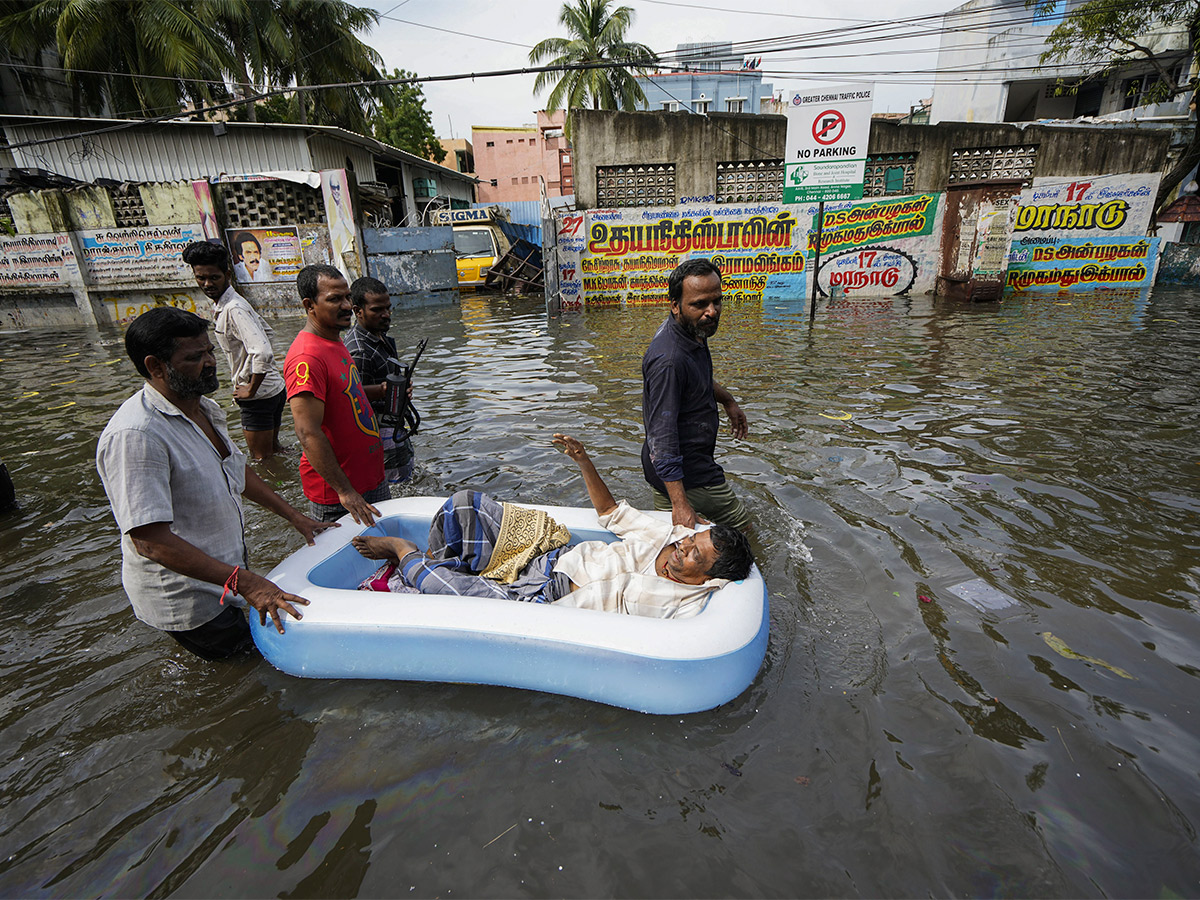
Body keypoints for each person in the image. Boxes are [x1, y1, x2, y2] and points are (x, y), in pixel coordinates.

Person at [96, 307, 334, 660]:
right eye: (195, 357)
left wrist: (296, 518)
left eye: (210, 351)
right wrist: (247, 582)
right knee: (256, 668)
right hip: (188, 597)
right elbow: (150, 542)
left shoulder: (203, 407)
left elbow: (237, 471)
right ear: (155, 366)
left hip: (223, 577)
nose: (211, 362)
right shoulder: (136, 435)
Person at [351, 433, 754, 619]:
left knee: (456, 595)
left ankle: (403, 553)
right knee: (464, 506)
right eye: (691, 541)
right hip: (551, 557)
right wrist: (582, 459)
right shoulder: (665, 536)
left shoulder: (687, 603)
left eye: (694, 553)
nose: (683, 547)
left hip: (545, 602)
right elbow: (611, 513)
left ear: (707, 579)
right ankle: (446, 571)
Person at [641, 257, 751, 532]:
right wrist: (680, 504)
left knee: (681, 539)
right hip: (687, 471)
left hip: (665, 473)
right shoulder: (669, 360)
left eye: (716, 301)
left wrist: (727, 400)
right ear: (675, 306)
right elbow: (662, 436)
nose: (712, 312)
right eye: (700, 304)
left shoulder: (690, 331)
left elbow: (696, 377)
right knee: (743, 532)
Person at [285, 264, 387, 526]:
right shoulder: (306, 358)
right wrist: (345, 491)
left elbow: (346, 394)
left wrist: (383, 391)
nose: (346, 306)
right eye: (334, 299)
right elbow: (307, 432)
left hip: (368, 480)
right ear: (310, 305)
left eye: (347, 297)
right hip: (340, 495)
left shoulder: (333, 340)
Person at [181, 240, 287, 460]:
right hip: (273, 389)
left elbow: (263, 351)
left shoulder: (234, 308)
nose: (207, 283)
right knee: (276, 453)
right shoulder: (231, 303)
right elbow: (268, 333)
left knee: (261, 460)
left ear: (227, 275)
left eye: (214, 277)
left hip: (258, 396)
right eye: (201, 278)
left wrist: (250, 388)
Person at [343, 276, 417, 484]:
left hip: (392, 421)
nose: (386, 315)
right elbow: (351, 394)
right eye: (377, 310)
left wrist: (400, 388)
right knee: (398, 485)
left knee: (405, 477)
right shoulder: (359, 350)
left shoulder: (379, 335)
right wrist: (385, 390)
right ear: (358, 311)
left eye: (388, 308)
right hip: (379, 429)